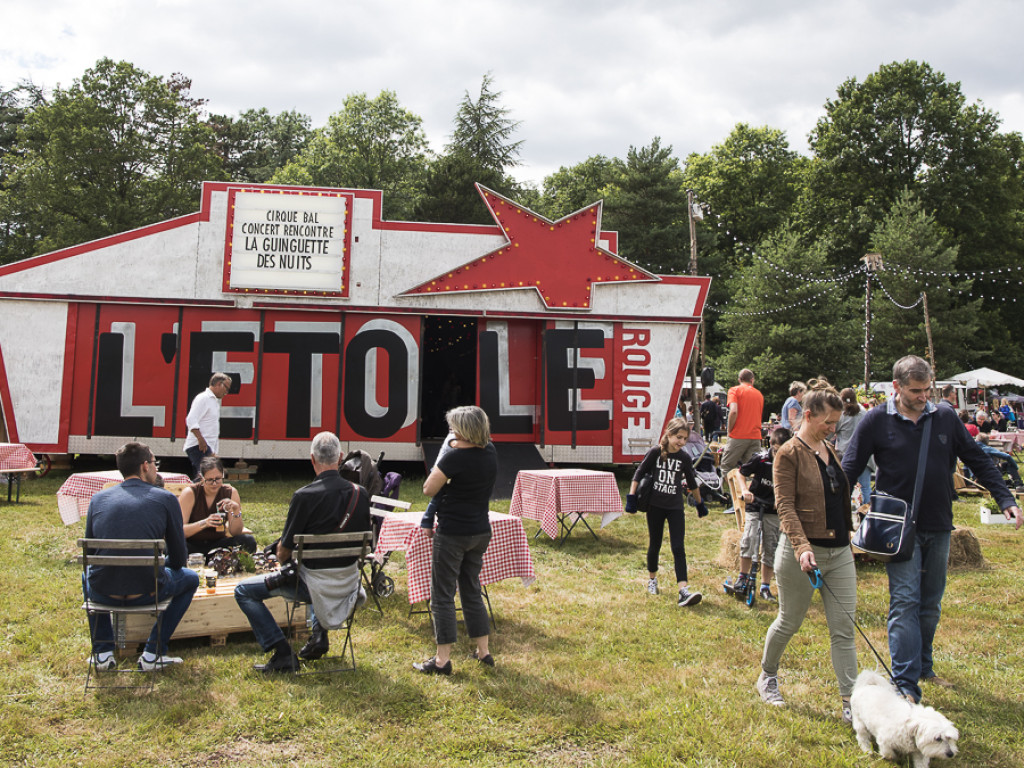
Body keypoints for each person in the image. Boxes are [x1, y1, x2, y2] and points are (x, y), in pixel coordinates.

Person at [842, 355, 1022, 704]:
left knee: (931, 603)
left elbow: (976, 458)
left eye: (928, 389)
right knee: (905, 601)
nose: (924, 396)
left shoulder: (945, 417)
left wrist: (1005, 498)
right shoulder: (876, 421)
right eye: (915, 391)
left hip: (939, 523)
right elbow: (850, 468)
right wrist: (832, 517)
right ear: (896, 387)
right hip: (896, 527)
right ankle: (906, 684)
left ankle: (923, 666)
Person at [756, 379, 858, 725]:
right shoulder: (788, 453)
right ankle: (767, 675)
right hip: (802, 552)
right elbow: (784, 506)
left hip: (840, 551)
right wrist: (801, 547)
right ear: (808, 415)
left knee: (843, 629)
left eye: (836, 424)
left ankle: (850, 702)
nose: (833, 429)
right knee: (789, 621)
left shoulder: (831, 451)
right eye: (828, 423)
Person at [234, 432, 371, 673]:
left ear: (312, 459)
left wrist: (278, 549)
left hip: (312, 587)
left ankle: (283, 652)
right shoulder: (361, 494)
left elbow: (283, 554)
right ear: (339, 457)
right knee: (313, 566)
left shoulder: (304, 496)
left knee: (244, 591)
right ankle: (319, 634)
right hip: (347, 583)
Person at [82, 442, 200, 672]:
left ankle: (103, 652)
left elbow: (90, 555)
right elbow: (178, 560)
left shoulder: (97, 500)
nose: (156, 468)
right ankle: (153, 653)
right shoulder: (165, 499)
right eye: (155, 463)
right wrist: (158, 562)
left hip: (102, 594)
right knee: (190, 578)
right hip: (147, 592)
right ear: (145, 466)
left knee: (88, 572)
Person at [415, 406, 498, 675]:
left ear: (463, 430)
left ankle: (442, 661)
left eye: (453, 427)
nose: (451, 431)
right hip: (480, 531)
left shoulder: (453, 456)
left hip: (452, 533)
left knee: (442, 596)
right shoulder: (490, 452)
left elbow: (429, 488)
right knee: (472, 590)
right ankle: (483, 652)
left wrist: (449, 454)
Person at [626, 418, 709, 606]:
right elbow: (638, 473)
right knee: (654, 544)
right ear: (669, 435)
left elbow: (692, 483)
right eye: (678, 437)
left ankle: (683, 591)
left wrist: (700, 504)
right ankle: (652, 579)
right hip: (655, 506)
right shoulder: (655, 453)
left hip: (674, 507)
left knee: (678, 547)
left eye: (685, 439)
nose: (681, 442)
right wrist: (631, 497)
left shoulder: (684, 458)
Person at [730, 426, 791, 602]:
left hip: (774, 509)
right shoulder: (761, 459)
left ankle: (765, 585)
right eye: (778, 450)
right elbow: (742, 473)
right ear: (772, 445)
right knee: (749, 539)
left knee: (771, 546)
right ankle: (742, 576)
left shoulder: (790, 463)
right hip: (756, 505)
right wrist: (745, 490)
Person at [179, 456, 257, 556]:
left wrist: (236, 510)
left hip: (218, 545)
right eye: (210, 480)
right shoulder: (190, 493)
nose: (214, 483)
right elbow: (180, 530)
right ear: (201, 478)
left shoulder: (230, 492)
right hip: (192, 545)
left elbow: (235, 532)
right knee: (171, 546)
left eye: (218, 479)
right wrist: (205, 523)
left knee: (248, 540)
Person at [183, 372, 232, 478]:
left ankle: (194, 493)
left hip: (206, 446)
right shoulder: (203, 398)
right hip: (199, 446)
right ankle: (189, 494)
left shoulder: (213, 401)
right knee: (206, 477)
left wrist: (213, 452)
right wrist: (200, 439)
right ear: (219, 384)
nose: (226, 392)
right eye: (226, 388)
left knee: (205, 477)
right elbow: (191, 419)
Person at [720, 369, 765, 478]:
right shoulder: (759, 394)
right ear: (752, 380)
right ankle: (749, 493)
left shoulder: (734, 390)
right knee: (752, 470)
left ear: (739, 379)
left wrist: (729, 430)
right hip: (755, 437)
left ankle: (730, 493)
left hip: (738, 435)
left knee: (726, 466)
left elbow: (734, 411)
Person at [832, 388, 872, 506]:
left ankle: (845, 515)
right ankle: (866, 515)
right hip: (864, 453)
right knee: (866, 488)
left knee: (846, 488)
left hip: (846, 455)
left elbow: (832, 431)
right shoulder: (864, 411)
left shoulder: (841, 413)